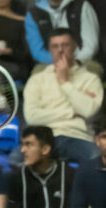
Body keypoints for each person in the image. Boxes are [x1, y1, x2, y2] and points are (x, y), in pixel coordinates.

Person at [22, 28, 103, 164]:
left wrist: (65, 83)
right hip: (44, 139)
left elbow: (89, 111)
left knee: (97, 158)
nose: (60, 50)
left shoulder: (90, 79)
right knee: (15, 158)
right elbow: (31, 117)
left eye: (65, 45)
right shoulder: (37, 79)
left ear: (75, 47)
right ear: (49, 50)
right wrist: (71, 112)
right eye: (55, 46)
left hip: (78, 137)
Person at [25, 0, 100, 69]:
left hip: (82, 61)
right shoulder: (33, 13)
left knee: (93, 69)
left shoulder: (82, 6)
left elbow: (91, 45)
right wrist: (58, 62)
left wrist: (75, 61)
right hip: (49, 63)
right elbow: (37, 51)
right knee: (37, 74)